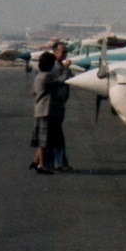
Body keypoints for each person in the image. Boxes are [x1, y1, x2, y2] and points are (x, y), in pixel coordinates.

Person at [30, 51, 67, 174]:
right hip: (46, 111)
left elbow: (34, 92)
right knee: (45, 141)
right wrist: (65, 69)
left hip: (41, 110)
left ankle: (36, 162)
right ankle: (42, 165)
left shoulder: (39, 76)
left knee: (45, 139)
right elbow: (61, 80)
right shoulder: (46, 76)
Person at [49, 40, 73, 170]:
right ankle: (59, 163)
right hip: (54, 105)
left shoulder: (61, 66)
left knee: (55, 135)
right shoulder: (53, 67)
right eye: (63, 52)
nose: (65, 55)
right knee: (57, 135)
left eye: (66, 52)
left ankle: (54, 162)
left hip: (60, 105)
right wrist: (66, 69)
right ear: (55, 52)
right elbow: (59, 81)